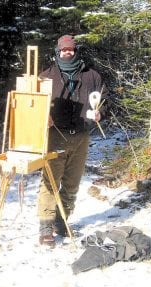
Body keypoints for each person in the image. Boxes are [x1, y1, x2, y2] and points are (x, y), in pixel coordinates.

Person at [37, 34, 108, 246]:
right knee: (50, 181)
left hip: (81, 136)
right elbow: (33, 104)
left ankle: (62, 221)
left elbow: (104, 101)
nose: (68, 52)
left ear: (75, 51)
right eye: (64, 49)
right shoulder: (46, 76)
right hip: (54, 136)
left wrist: (100, 113)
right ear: (58, 51)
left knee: (72, 183)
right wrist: (42, 116)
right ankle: (46, 228)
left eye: (71, 49)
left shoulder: (91, 76)